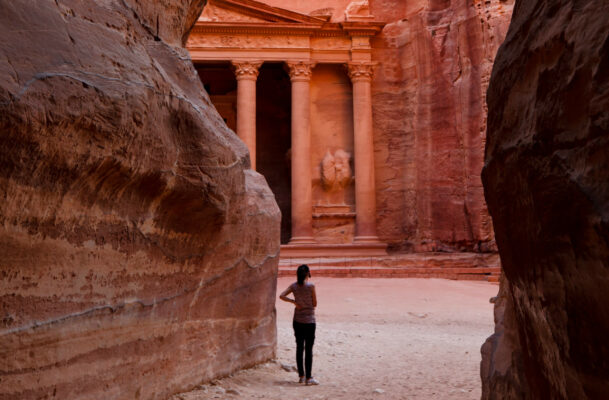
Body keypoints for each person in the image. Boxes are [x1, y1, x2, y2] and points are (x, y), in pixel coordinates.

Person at [279, 264, 319, 385]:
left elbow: (281, 296)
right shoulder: (311, 286)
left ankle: (301, 376)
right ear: (308, 274)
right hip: (310, 321)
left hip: (297, 320)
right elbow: (315, 303)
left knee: (299, 347)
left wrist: (294, 302)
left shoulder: (294, 286)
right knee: (308, 349)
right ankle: (309, 378)